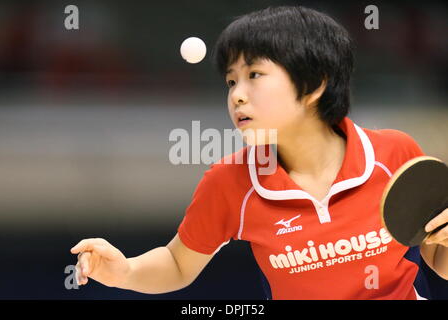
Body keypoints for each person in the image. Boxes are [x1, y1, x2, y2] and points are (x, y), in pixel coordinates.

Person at [70, 5, 448, 300]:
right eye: (231, 80)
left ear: (314, 84)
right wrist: (126, 272)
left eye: (254, 75)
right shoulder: (231, 181)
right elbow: (177, 263)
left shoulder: (393, 153)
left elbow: (437, 259)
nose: (236, 94)